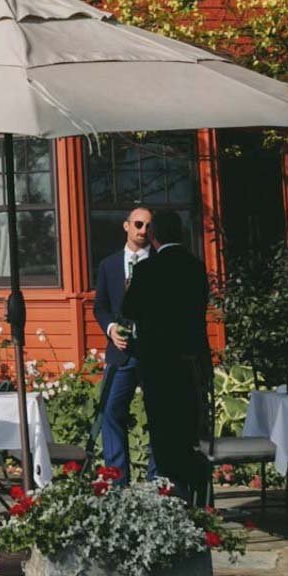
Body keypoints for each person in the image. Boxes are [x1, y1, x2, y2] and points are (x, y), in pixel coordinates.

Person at [123, 208, 212, 505]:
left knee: (162, 429)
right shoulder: (196, 268)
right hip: (189, 362)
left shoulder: (147, 269)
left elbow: (129, 309)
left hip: (158, 364)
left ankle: (171, 490)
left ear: (154, 236)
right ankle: (192, 494)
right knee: (188, 430)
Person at [92, 205, 153, 486]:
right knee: (110, 412)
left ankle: (157, 482)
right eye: (138, 224)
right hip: (121, 353)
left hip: (154, 353)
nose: (143, 230)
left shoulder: (159, 264)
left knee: (160, 415)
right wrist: (111, 329)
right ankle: (117, 484)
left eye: (148, 226)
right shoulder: (109, 265)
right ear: (126, 226)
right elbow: (100, 307)